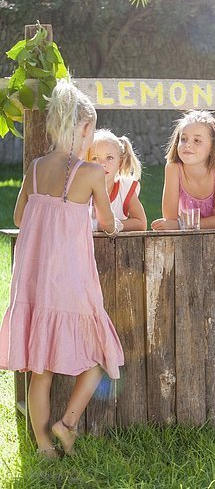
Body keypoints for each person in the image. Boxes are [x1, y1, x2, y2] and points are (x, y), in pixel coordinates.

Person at [0, 79, 124, 458]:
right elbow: (106, 222)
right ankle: (67, 423)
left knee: (41, 371)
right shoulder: (89, 172)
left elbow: (21, 216)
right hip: (72, 283)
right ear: (85, 128)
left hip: (36, 287)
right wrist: (114, 224)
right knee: (101, 356)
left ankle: (42, 446)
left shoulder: (35, 168)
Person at [151, 110, 215, 230]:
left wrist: (181, 225)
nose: (187, 145)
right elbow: (170, 219)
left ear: (212, 147)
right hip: (186, 238)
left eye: (197, 141)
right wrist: (177, 225)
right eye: (183, 139)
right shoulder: (173, 168)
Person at [87, 129, 147, 231]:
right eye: (95, 158)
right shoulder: (79, 188)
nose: (102, 164)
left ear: (120, 162)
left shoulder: (124, 189)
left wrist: (104, 226)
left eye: (109, 157)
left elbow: (141, 224)